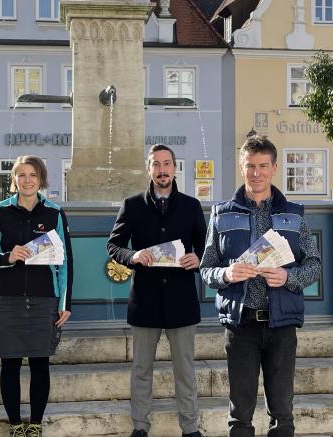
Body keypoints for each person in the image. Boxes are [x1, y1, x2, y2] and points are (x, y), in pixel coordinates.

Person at [199, 136, 321, 437]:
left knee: (282, 412)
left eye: (263, 166)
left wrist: (289, 278)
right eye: (250, 166)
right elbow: (206, 269)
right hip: (241, 326)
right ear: (242, 167)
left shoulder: (294, 213)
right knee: (239, 414)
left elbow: (314, 265)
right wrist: (227, 274)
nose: (256, 173)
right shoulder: (222, 213)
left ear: (274, 168)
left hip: (281, 326)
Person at [106, 145, 207, 437]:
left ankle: (190, 428)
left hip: (182, 302)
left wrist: (198, 258)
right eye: (156, 165)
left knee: (186, 371)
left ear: (175, 168)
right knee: (141, 370)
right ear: (149, 169)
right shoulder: (132, 204)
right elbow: (113, 245)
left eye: (167, 164)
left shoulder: (191, 205)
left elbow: (206, 248)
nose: (162, 170)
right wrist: (132, 256)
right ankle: (140, 427)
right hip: (145, 301)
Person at [0, 155, 74, 437]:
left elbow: (66, 261)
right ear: (13, 179)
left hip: (45, 300)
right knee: (10, 363)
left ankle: (36, 424)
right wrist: (8, 256)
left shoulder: (54, 213)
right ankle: (16, 424)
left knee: (41, 363)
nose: (27, 180)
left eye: (33, 175)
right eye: (21, 175)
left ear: (41, 179)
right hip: (6, 299)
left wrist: (64, 303)